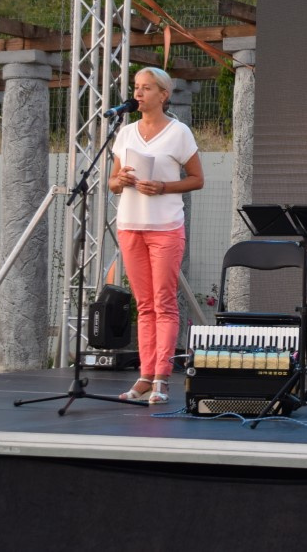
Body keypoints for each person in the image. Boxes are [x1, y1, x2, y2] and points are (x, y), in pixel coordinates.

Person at [107, 67, 204, 405]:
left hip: (165, 227)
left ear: (164, 94)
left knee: (163, 303)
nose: (138, 93)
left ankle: (162, 377)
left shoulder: (179, 132)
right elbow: (112, 182)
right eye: (136, 87)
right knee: (144, 304)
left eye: (146, 88)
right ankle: (145, 376)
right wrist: (121, 181)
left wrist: (162, 186)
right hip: (130, 225)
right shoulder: (125, 132)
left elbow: (197, 179)